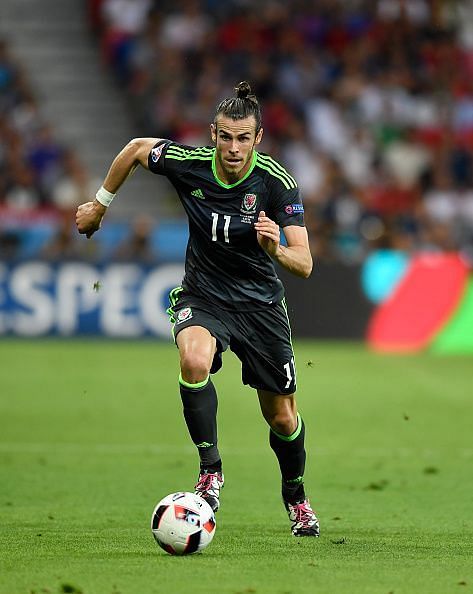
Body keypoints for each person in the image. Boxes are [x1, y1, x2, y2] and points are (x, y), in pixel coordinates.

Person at [76, 81, 320, 537]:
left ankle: (296, 496)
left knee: (282, 417)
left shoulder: (275, 183)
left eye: (243, 137)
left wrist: (276, 249)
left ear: (258, 138)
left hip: (260, 305)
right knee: (193, 359)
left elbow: (304, 263)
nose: (233, 147)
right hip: (203, 294)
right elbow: (134, 149)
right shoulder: (189, 166)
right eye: (225, 136)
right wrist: (99, 205)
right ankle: (211, 470)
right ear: (212, 134)